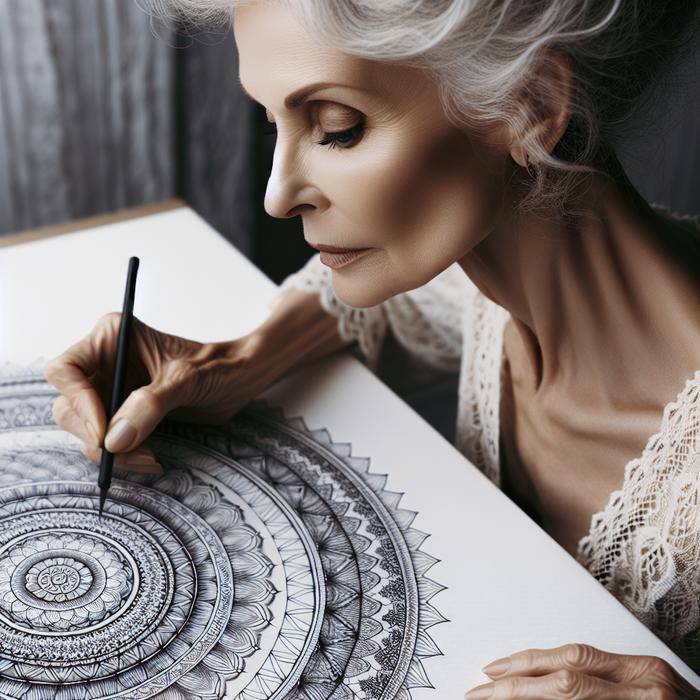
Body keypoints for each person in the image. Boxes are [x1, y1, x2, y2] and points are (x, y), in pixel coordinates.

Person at [44, 0, 700, 696]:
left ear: (530, 103)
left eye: (336, 128)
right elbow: (401, 302)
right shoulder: (492, 281)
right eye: (274, 125)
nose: (277, 196)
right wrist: (236, 361)